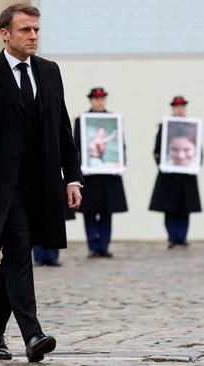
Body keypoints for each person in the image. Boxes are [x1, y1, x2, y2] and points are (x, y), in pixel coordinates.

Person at [0, 4, 82, 362]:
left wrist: (72, 178)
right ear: (5, 34)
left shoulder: (50, 71)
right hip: (0, 189)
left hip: (40, 185)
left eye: (37, 30)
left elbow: (62, 129)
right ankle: (33, 334)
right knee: (19, 251)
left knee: (15, 255)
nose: (34, 36)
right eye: (26, 30)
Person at [74, 87, 127, 258]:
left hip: (108, 176)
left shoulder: (113, 120)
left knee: (107, 212)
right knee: (89, 212)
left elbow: (121, 146)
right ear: (91, 100)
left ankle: (103, 246)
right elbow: (75, 147)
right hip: (89, 175)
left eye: (102, 98)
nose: (99, 101)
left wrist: (120, 164)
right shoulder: (81, 120)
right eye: (96, 99)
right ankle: (92, 246)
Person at [149, 96, 202, 248]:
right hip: (169, 175)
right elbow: (157, 150)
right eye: (177, 107)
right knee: (169, 208)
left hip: (187, 175)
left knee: (185, 208)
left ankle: (182, 237)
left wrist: (195, 164)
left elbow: (198, 150)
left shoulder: (192, 127)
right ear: (173, 108)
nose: (179, 109)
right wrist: (163, 165)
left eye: (182, 107)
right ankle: (172, 237)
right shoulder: (165, 126)